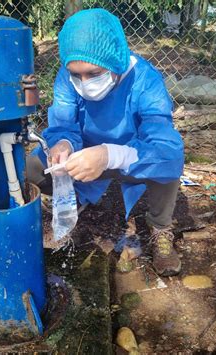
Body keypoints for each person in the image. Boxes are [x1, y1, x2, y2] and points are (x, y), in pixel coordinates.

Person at [27, 8, 184, 277]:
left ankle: (160, 227)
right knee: (31, 166)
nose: (84, 83)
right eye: (76, 75)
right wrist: (63, 143)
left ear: (114, 61)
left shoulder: (146, 81)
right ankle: (74, 199)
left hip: (131, 158)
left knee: (166, 167)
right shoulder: (67, 77)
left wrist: (111, 155)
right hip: (84, 156)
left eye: (94, 73)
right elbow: (63, 123)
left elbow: (165, 150)